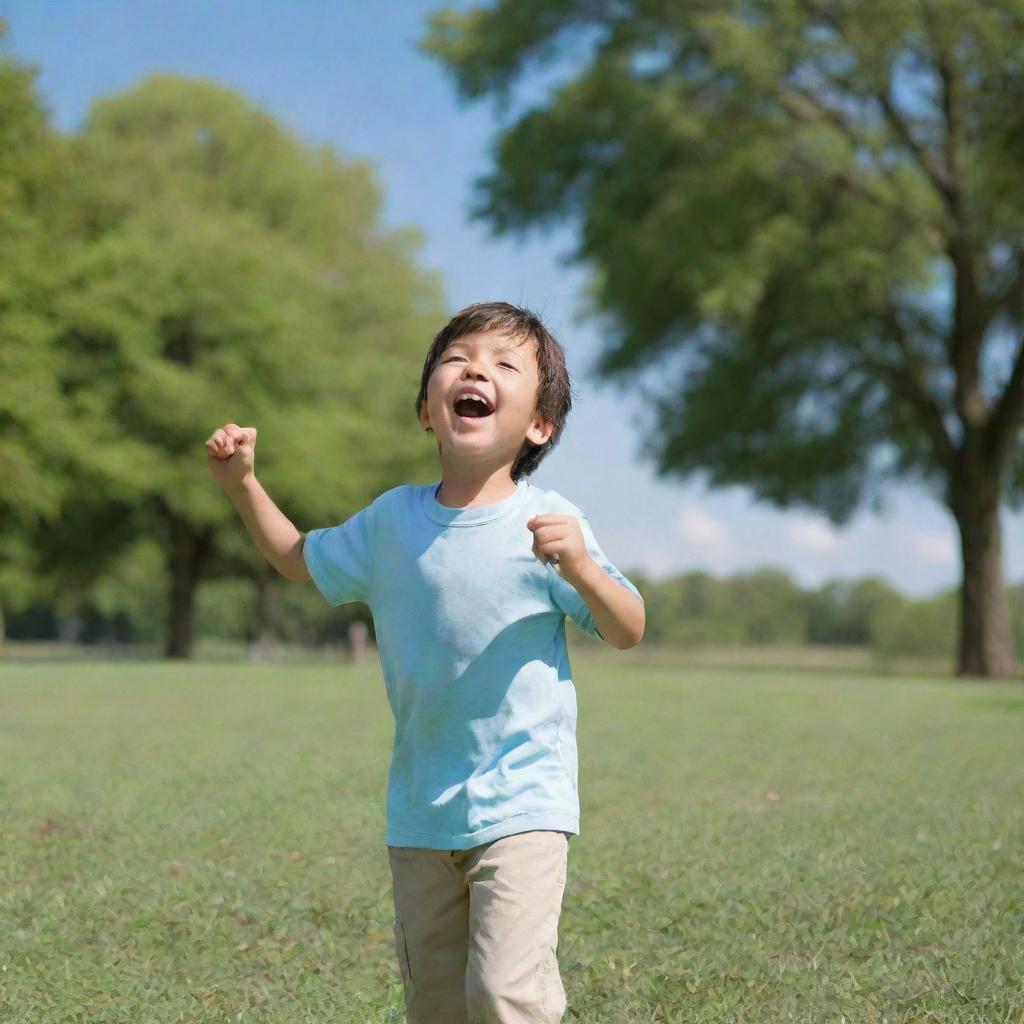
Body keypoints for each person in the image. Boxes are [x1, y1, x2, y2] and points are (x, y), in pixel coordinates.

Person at [205, 300, 645, 1023]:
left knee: (506, 994)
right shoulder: (389, 522)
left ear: (540, 426)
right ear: (425, 409)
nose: (476, 368)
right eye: (459, 357)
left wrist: (583, 571)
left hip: (523, 803)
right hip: (420, 810)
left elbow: (627, 627)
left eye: (506, 364)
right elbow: (297, 560)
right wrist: (242, 486)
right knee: (436, 1004)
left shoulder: (549, 524)